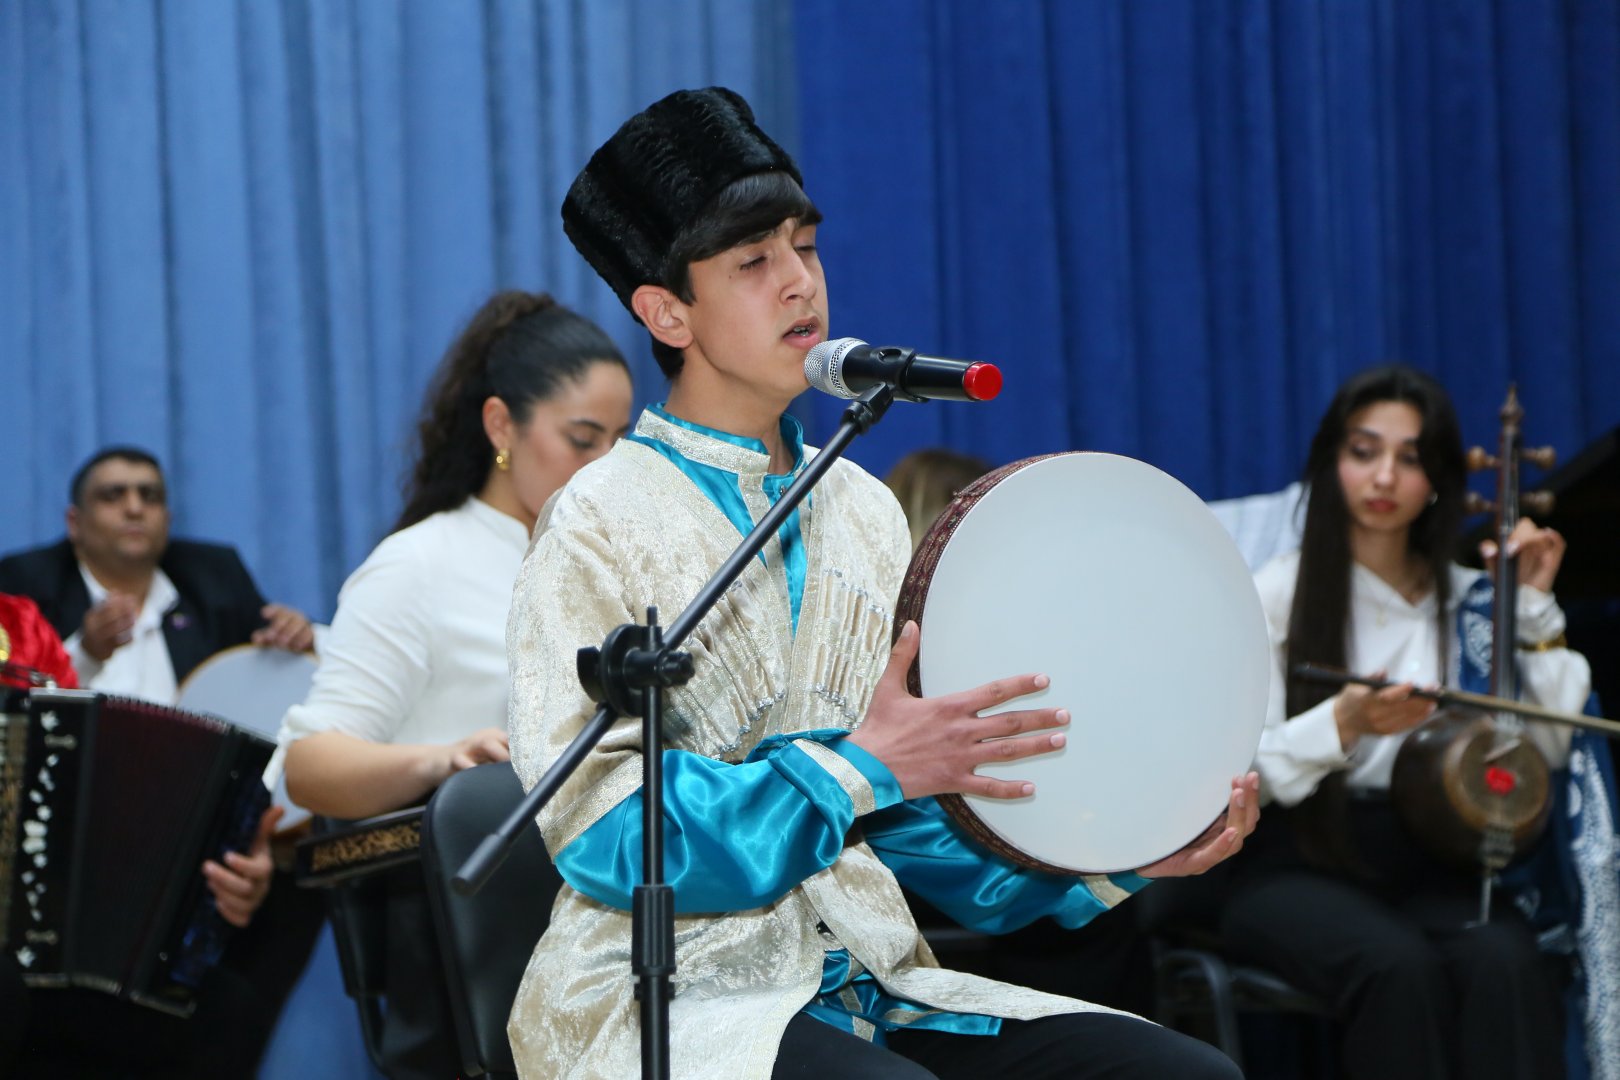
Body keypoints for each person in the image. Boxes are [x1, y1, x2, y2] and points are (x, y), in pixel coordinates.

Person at [506, 86, 1256, 1080]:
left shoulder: (859, 507)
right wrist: (858, 768)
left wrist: (1120, 853)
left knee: (1183, 1076)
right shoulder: (598, 517)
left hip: (864, 975)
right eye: (754, 261)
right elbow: (604, 826)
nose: (799, 284)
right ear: (666, 311)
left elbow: (912, 820)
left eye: (805, 247)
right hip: (668, 996)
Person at [280, 289, 633, 1079]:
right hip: (467, 945)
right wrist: (442, 762)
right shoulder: (420, 567)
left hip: (612, 932)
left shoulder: (621, 571)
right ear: (502, 427)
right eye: (583, 439)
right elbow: (308, 765)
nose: (606, 467)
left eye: (620, 441)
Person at [1218, 364, 1591, 1079]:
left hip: (1433, 861)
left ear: (1441, 479)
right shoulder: (1274, 592)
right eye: (1364, 452)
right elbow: (1241, 770)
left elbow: (1547, 747)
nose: (1384, 477)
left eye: (1411, 458)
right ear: (1332, 464)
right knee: (1397, 968)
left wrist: (1534, 609)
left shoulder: (1475, 599)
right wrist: (1346, 724)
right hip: (1295, 861)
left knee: (1508, 959)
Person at [0, 591, 281, 1078]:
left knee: (223, 1011)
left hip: (39, 943)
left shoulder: (17, 622)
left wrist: (227, 869)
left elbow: (74, 773)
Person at [0, 446, 314, 703]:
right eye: (113, 495)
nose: (135, 508)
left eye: (150, 496)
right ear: (75, 523)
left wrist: (293, 638)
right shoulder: (24, 585)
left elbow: (265, 677)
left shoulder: (214, 575)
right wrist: (87, 653)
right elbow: (13, 707)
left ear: (167, 519)